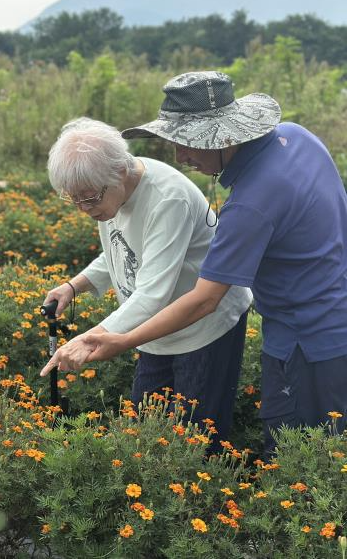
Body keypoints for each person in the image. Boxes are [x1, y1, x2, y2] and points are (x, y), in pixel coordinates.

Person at [76, 71, 347, 455]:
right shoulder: (296, 137)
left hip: (305, 342)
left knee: (297, 459)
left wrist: (122, 340)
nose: (180, 157)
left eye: (189, 144)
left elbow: (205, 300)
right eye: (174, 144)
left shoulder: (251, 204)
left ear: (225, 138)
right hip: (335, 317)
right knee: (330, 451)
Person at [39, 117, 252, 447]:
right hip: (152, 330)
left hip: (203, 329)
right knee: (145, 431)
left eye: (89, 198)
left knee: (196, 437)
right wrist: (74, 285)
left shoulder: (167, 200)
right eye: (74, 199)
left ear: (119, 172)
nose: (83, 209)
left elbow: (152, 294)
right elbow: (123, 250)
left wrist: (90, 339)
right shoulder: (111, 192)